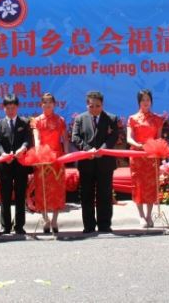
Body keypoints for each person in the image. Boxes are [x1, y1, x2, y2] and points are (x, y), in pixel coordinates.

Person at [71, 91, 120, 234]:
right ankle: (89, 226)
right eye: (91, 106)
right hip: (87, 162)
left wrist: (102, 149)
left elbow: (114, 136)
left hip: (105, 162)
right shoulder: (80, 119)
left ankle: (104, 225)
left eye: (97, 106)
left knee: (105, 194)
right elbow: (75, 137)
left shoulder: (111, 118)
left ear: (102, 105)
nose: (94, 109)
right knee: (87, 195)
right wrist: (88, 150)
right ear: (87, 105)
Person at [0, 94, 31, 235]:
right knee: (5, 196)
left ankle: (19, 226)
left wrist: (23, 148)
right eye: (8, 108)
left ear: (17, 107)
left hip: (20, 164)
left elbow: (28, 139)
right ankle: (5, 226)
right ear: (3, 108)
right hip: (5, 165)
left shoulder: (24, 122)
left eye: (13, 108)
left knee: (20, 196)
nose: (10, 111)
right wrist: (3, 154)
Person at [31, 93, 69, 233]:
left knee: (57, 189)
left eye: (50, 102)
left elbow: (65, 139)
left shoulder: (60, 120)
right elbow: (37, 139)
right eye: (45, 102)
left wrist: (66, 155)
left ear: (54, 104)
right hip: (43, 157)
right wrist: (38, 154)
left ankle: (54, 220)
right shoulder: (37, 121)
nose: (47, 105)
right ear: (41, 104)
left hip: (57, 158)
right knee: (42, 188)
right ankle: (45, 218)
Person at [126, 89, 164, 228]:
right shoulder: (133, 118)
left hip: (151, 156)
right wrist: (138, 145)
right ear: (139, 102)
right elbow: (129, 138)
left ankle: (149, 215)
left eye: (148, 99)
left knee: (151, 186)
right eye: (143, 100)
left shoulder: (157, 119)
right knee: (138, 185)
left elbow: (159, 138)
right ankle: (141, 215)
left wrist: (156, 149)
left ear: (151, 101)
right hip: (137, 156)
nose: (145, 102)